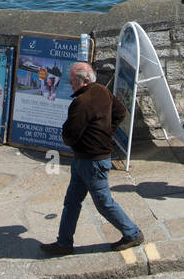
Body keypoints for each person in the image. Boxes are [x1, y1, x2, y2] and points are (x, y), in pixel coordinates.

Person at [41, 62, 143, 256]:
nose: (70, 84)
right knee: (71, 201)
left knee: (104, 203)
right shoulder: (102, 91)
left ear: (85, 80)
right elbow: (120, 112)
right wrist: (106, 133)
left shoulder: (81, 103)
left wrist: (97, 136)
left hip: (92, 162)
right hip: (85, 159)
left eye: (72, 81)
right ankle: (64, 243)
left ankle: (132, 233)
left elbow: (69, 136)